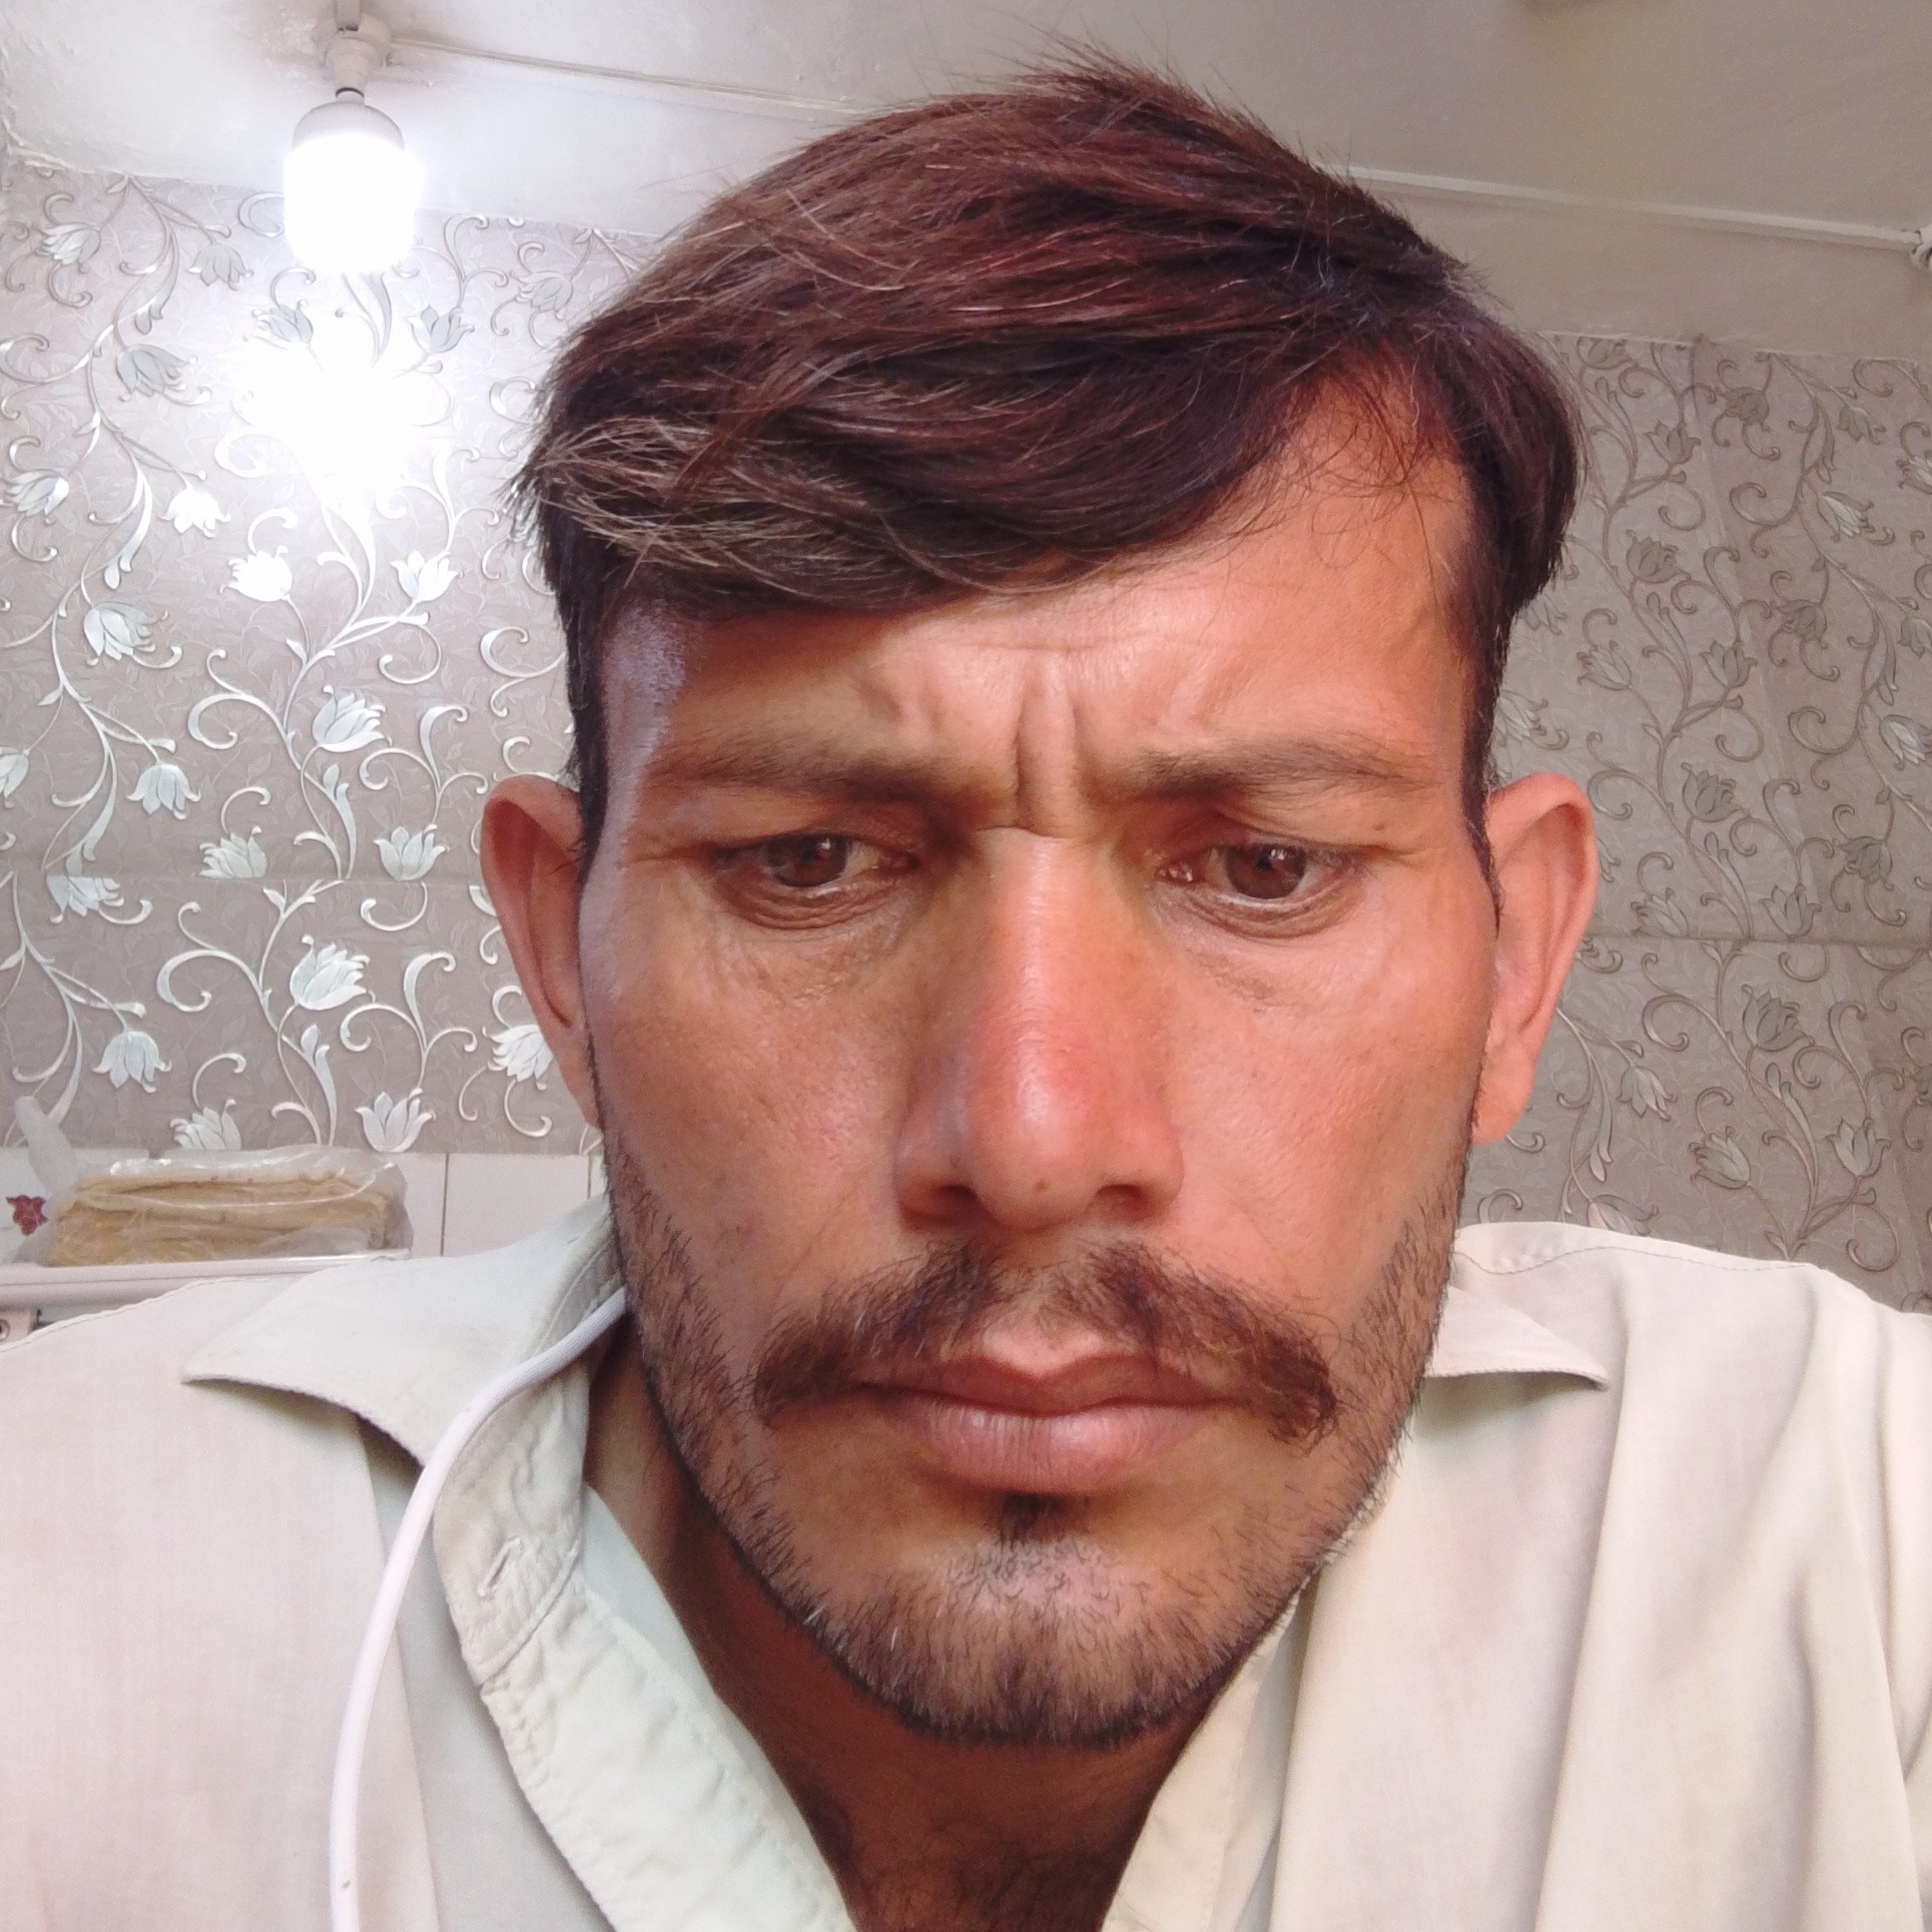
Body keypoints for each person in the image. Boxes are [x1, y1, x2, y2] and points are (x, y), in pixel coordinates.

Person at [3, 61, 1929, 1932]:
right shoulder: (69, 1578)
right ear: (559, 955)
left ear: (1516, 967)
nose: (1030, 1141)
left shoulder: (1849, 1530)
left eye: (1264, 867)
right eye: (809, 861)